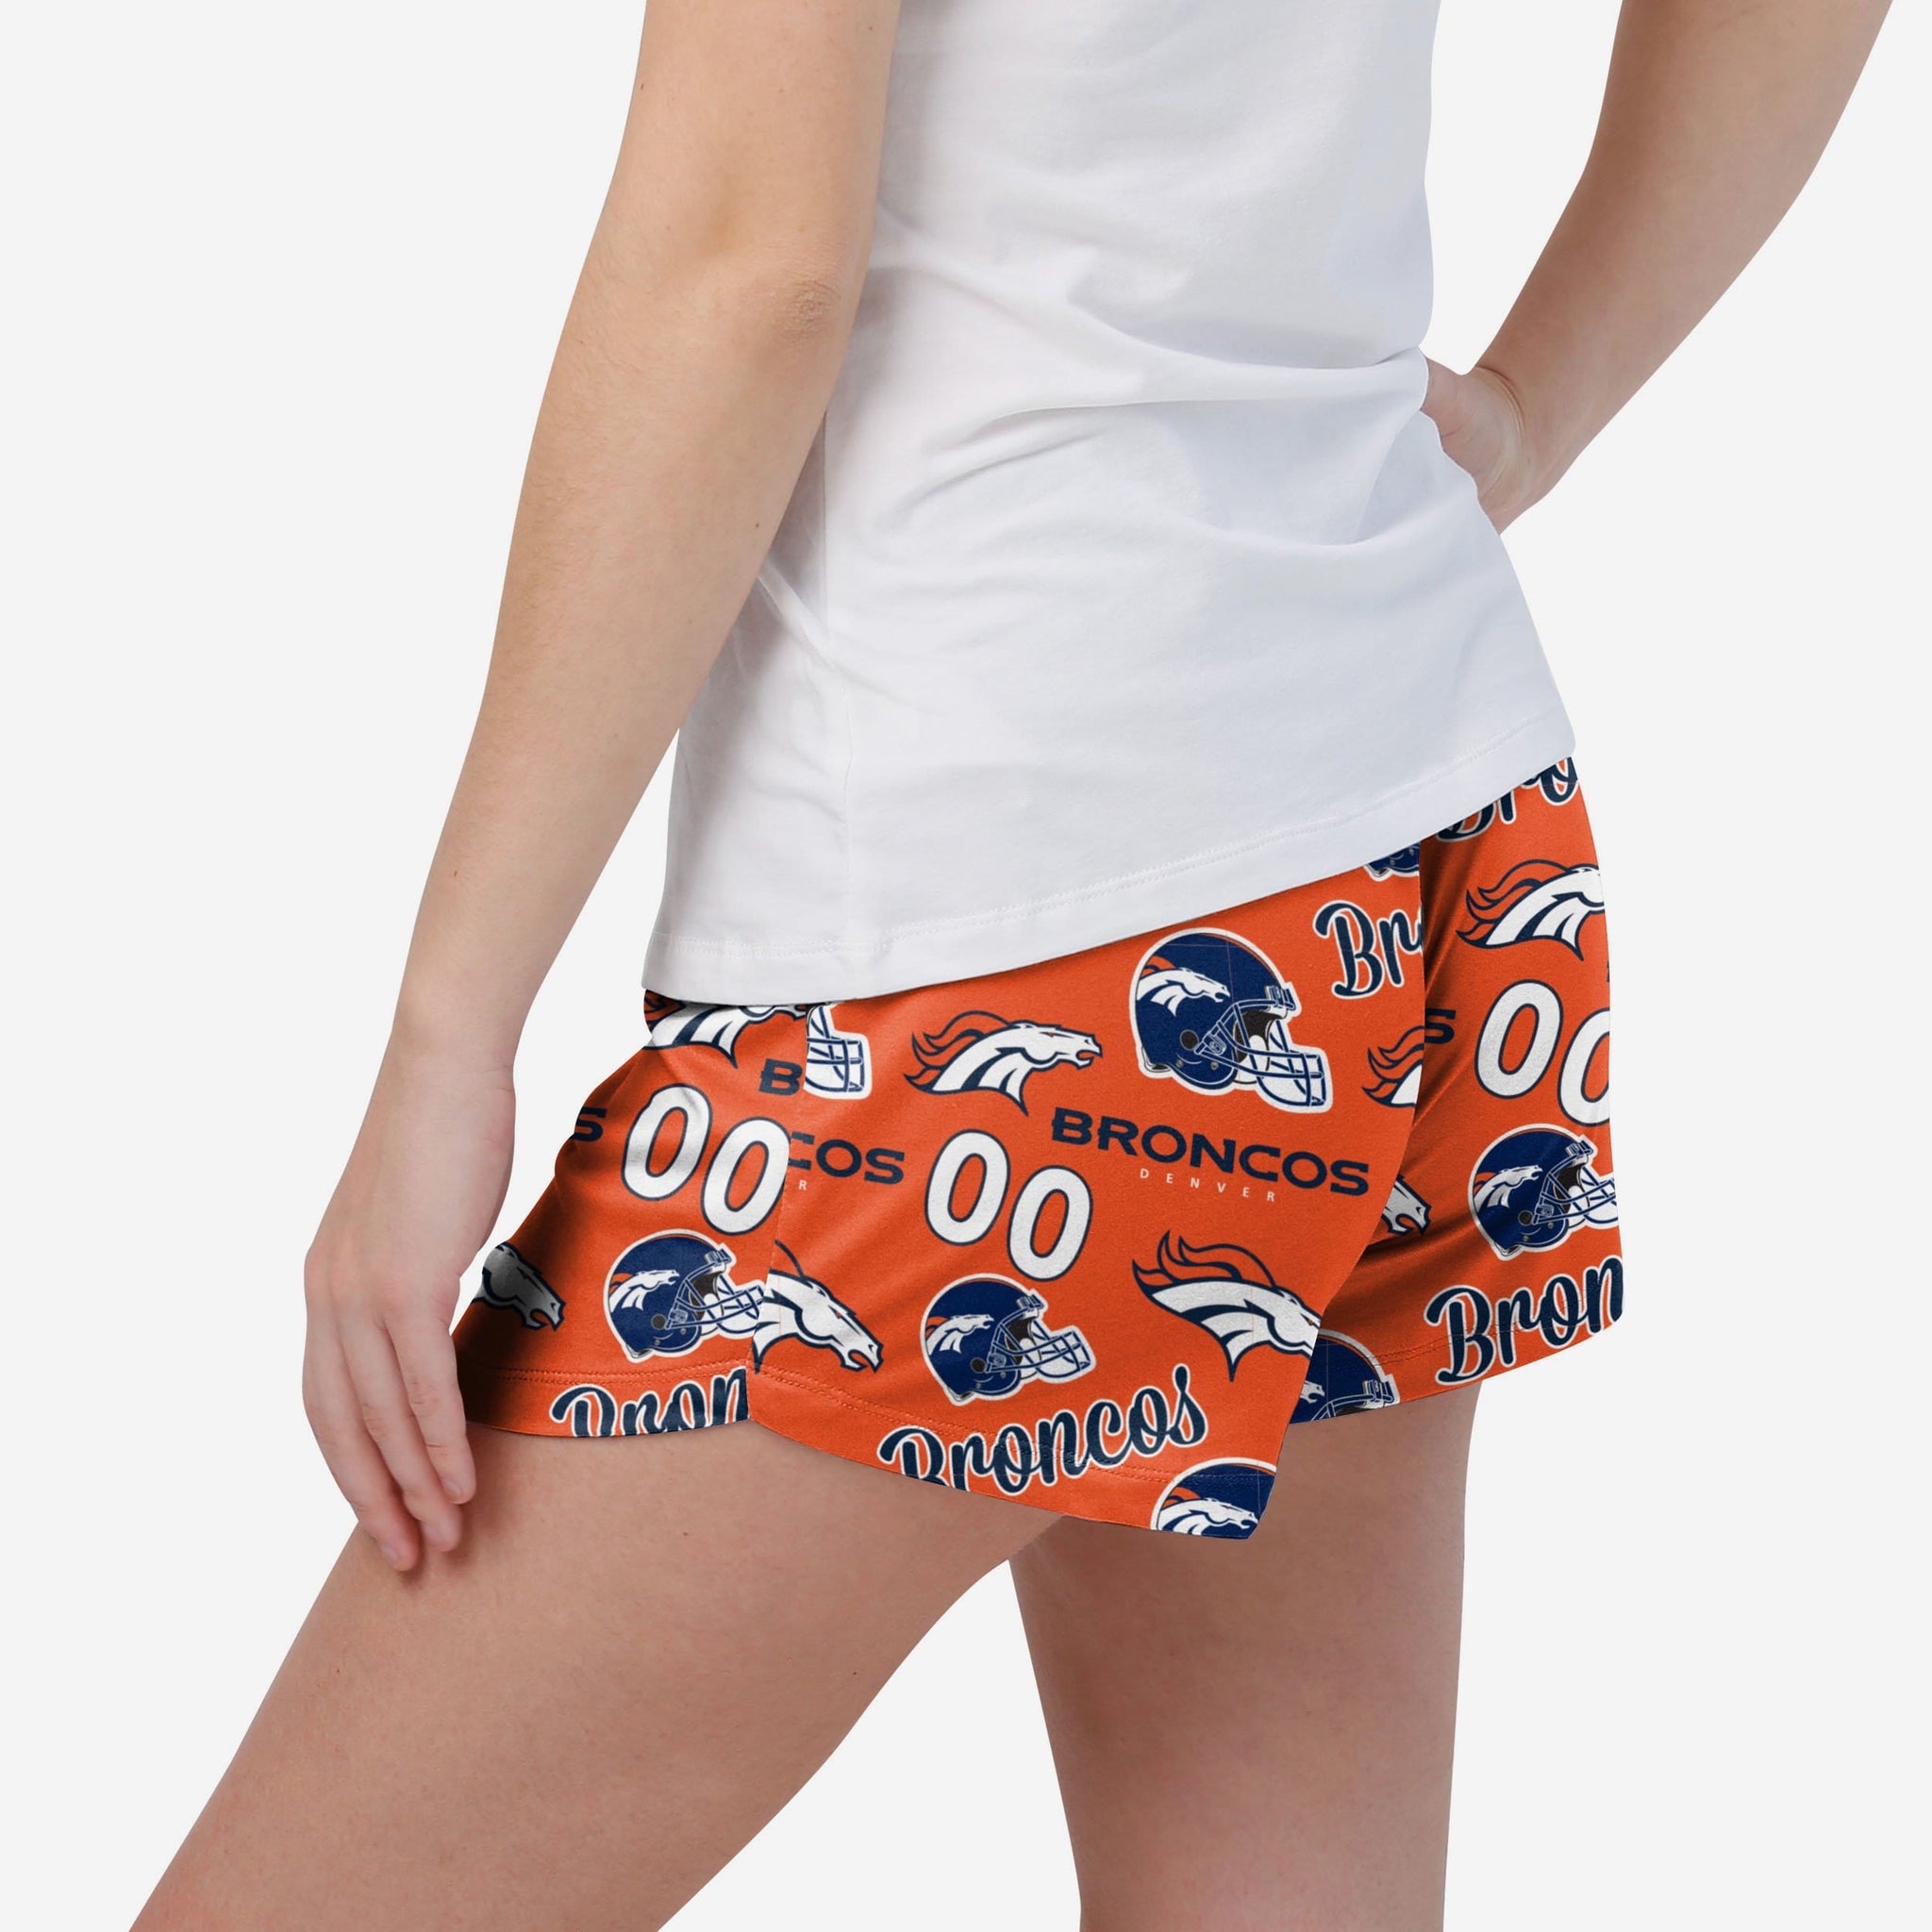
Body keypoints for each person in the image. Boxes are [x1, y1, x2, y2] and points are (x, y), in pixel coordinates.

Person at [134, 2, 1890, 1926]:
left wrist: (446, 1029)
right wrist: (1540, 398)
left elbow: (746, 260)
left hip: (994, 930)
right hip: (1422, 859)